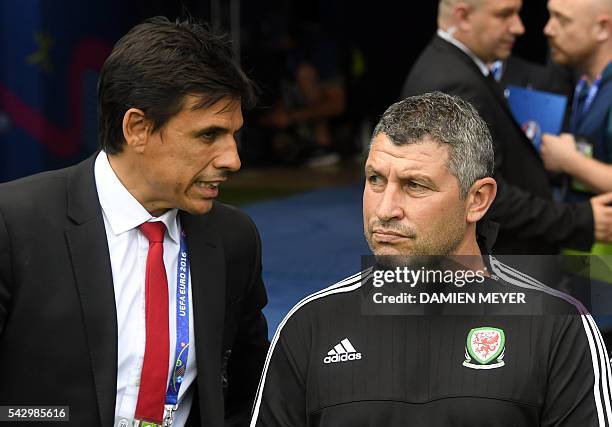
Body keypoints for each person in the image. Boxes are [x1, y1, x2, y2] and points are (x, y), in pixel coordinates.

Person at [249, 92, 612, 427]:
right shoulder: (308, 327)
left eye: (414, 186)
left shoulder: (559, 326)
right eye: (375, 180)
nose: (386, 209)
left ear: (478, 200)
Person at [0, 17, 269, 427]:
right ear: (137, 129)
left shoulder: (235, 240)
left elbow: (246, 395)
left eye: (233, 135)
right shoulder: (14, 224)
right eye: (208, 135)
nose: (232, 159)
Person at [401, 0, 612, 255]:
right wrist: (579, 221)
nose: (519, 27)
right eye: (504, 15)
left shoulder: (456, 69)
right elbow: (486, 196)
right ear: (463, 17)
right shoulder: (455, 83)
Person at [541, 0, 612, 201]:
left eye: (562, 20)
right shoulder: (584, 84)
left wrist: (569, 161)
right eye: (550, 15)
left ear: (602, 29)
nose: (548, 29)